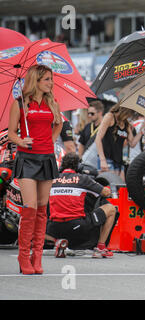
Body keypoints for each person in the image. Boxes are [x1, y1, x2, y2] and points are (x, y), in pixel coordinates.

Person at [8, 64, 63, 274]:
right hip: (27, 159)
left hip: (47, 158)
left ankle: (37, 256)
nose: (51, 82)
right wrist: (22, 141)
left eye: (51, 79)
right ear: (36, 81)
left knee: (42, 208)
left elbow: (58, 124)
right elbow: (11, 132)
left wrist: (51, 139)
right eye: (47, 79)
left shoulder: (53, 102)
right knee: (29, 208)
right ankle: (23, 257)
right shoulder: (20, 104)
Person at [45, 153, 117, 258]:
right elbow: (106, 192)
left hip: (53, 228)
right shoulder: (83, 179)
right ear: (78, 166)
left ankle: (57, 241)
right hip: (77, 227)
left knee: (33, 218)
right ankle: (100, 248)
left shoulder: (51, 179)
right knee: (111, 209)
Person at [95, 103, 144, 179]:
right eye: (130, 113)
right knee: (110, 187)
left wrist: (142, 129)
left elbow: (132, 143)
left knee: (119, 188)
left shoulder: (126, 123)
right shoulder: (110, 116)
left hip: (118, 161)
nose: (130, 116)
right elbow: (98, 138)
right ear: (125, 111)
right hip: (107, 158)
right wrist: (102, 159)